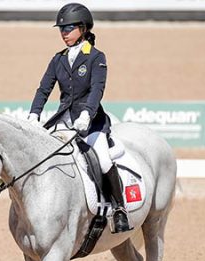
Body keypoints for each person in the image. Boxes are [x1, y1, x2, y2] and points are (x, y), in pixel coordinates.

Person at [28, 3, 131, 233]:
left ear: (83, 28)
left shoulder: (96, 57)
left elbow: (97, 89)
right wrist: (34, 114)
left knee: (103, 159)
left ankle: (119, 209)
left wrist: (87, 113)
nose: (64, 33)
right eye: (61, 29)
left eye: (69, 28)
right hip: (64, 120)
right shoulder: (58, 59)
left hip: (91, 122)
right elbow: (44, 89)